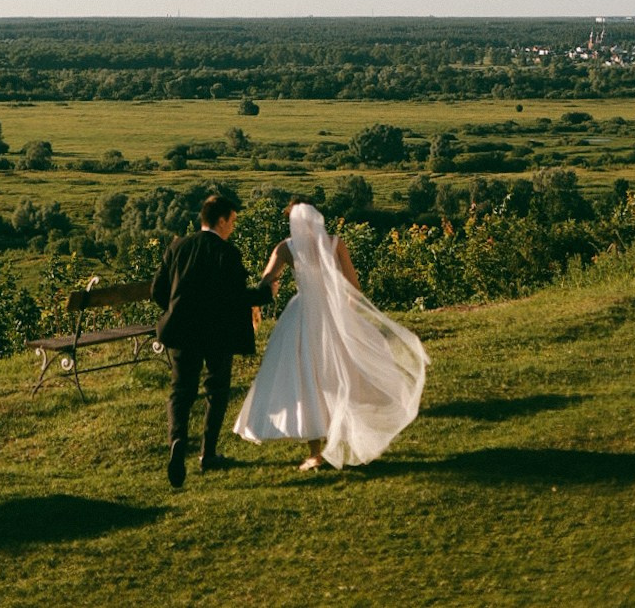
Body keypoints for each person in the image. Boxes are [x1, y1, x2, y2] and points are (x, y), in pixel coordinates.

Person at [233, 199, 428, 471]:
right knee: (340, 373)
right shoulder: (335, 243)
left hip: (301, 315)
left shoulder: (286, 248)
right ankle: (340, 437)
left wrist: (256, 303)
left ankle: (315, 452)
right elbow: (353, 285)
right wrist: (346, 312)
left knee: (306, 379)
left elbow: (266, 281)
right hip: (333, 312)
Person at [152, 194, 275, 488]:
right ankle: (207, 454)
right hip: (217, 333)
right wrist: (265, 294)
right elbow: (237, 296)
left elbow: (158, 290)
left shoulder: (178, 247)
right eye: (232, 221)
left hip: (181, 330)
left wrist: (175, 309)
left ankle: (178, 439)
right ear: (220, 220)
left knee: (181, 391)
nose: (232, 227)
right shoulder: (227, 253)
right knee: (216, 390)